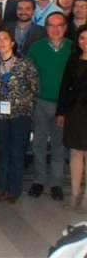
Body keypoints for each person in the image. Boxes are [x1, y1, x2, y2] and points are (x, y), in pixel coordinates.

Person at [0, 28, 39, 203]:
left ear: (12, 43)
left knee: (17, 152)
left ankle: (14, 190)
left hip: (20, 115)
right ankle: (0, 187)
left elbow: (35, 88)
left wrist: (26, 107)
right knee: (2, 152)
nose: (1, 42)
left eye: (5, 39)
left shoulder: (25, 64)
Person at [27, 12, 72, 201]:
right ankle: (39, 180)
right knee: (38, 143)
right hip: (40, 102)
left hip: (63, 105)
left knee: (58, 145)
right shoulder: (36, 48)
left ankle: (56, 183)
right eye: (51, 25)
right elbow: (29, 75)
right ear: (46, 28)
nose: (55, 29)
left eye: (59, 25)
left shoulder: (72, 48)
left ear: (65, 28)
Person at [57, 25, 87, 211]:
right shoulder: (74, 58)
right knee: (75, 153)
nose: (85, 42)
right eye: (82, 38)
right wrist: (61, 112)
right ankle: (74, 194)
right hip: (75, 112)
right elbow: (65, 85)